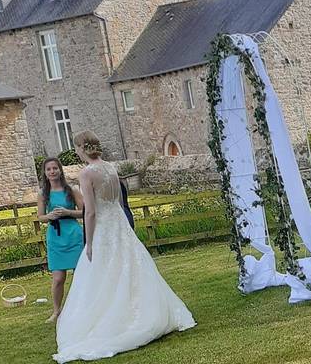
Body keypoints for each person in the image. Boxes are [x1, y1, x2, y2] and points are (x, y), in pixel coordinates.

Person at [53, 131, 195, 363]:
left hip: (103, 228)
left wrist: (89, 242)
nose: (76, 151)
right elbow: (117, 201)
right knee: (130, 266)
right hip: (119, 224)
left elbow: (90, 212)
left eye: (76, 147)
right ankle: (142, 312)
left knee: (102, 271)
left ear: (81, 148)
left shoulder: (87, 173)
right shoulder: (110, 168)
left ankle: (116, 321)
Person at [37, 158, 84, 323]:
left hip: (73, 235)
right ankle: (57, 311)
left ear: (60, 170)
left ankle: (83, 308)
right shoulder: (43, 194)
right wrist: (48, 216)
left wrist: (67, 212)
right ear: (45, 172)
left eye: (55, 168)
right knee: (58, 278)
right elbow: (40, 217)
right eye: (48, 169)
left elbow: (85, 211)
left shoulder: (71, 190)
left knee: (81, 275)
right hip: (56, 236)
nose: (52, 172)